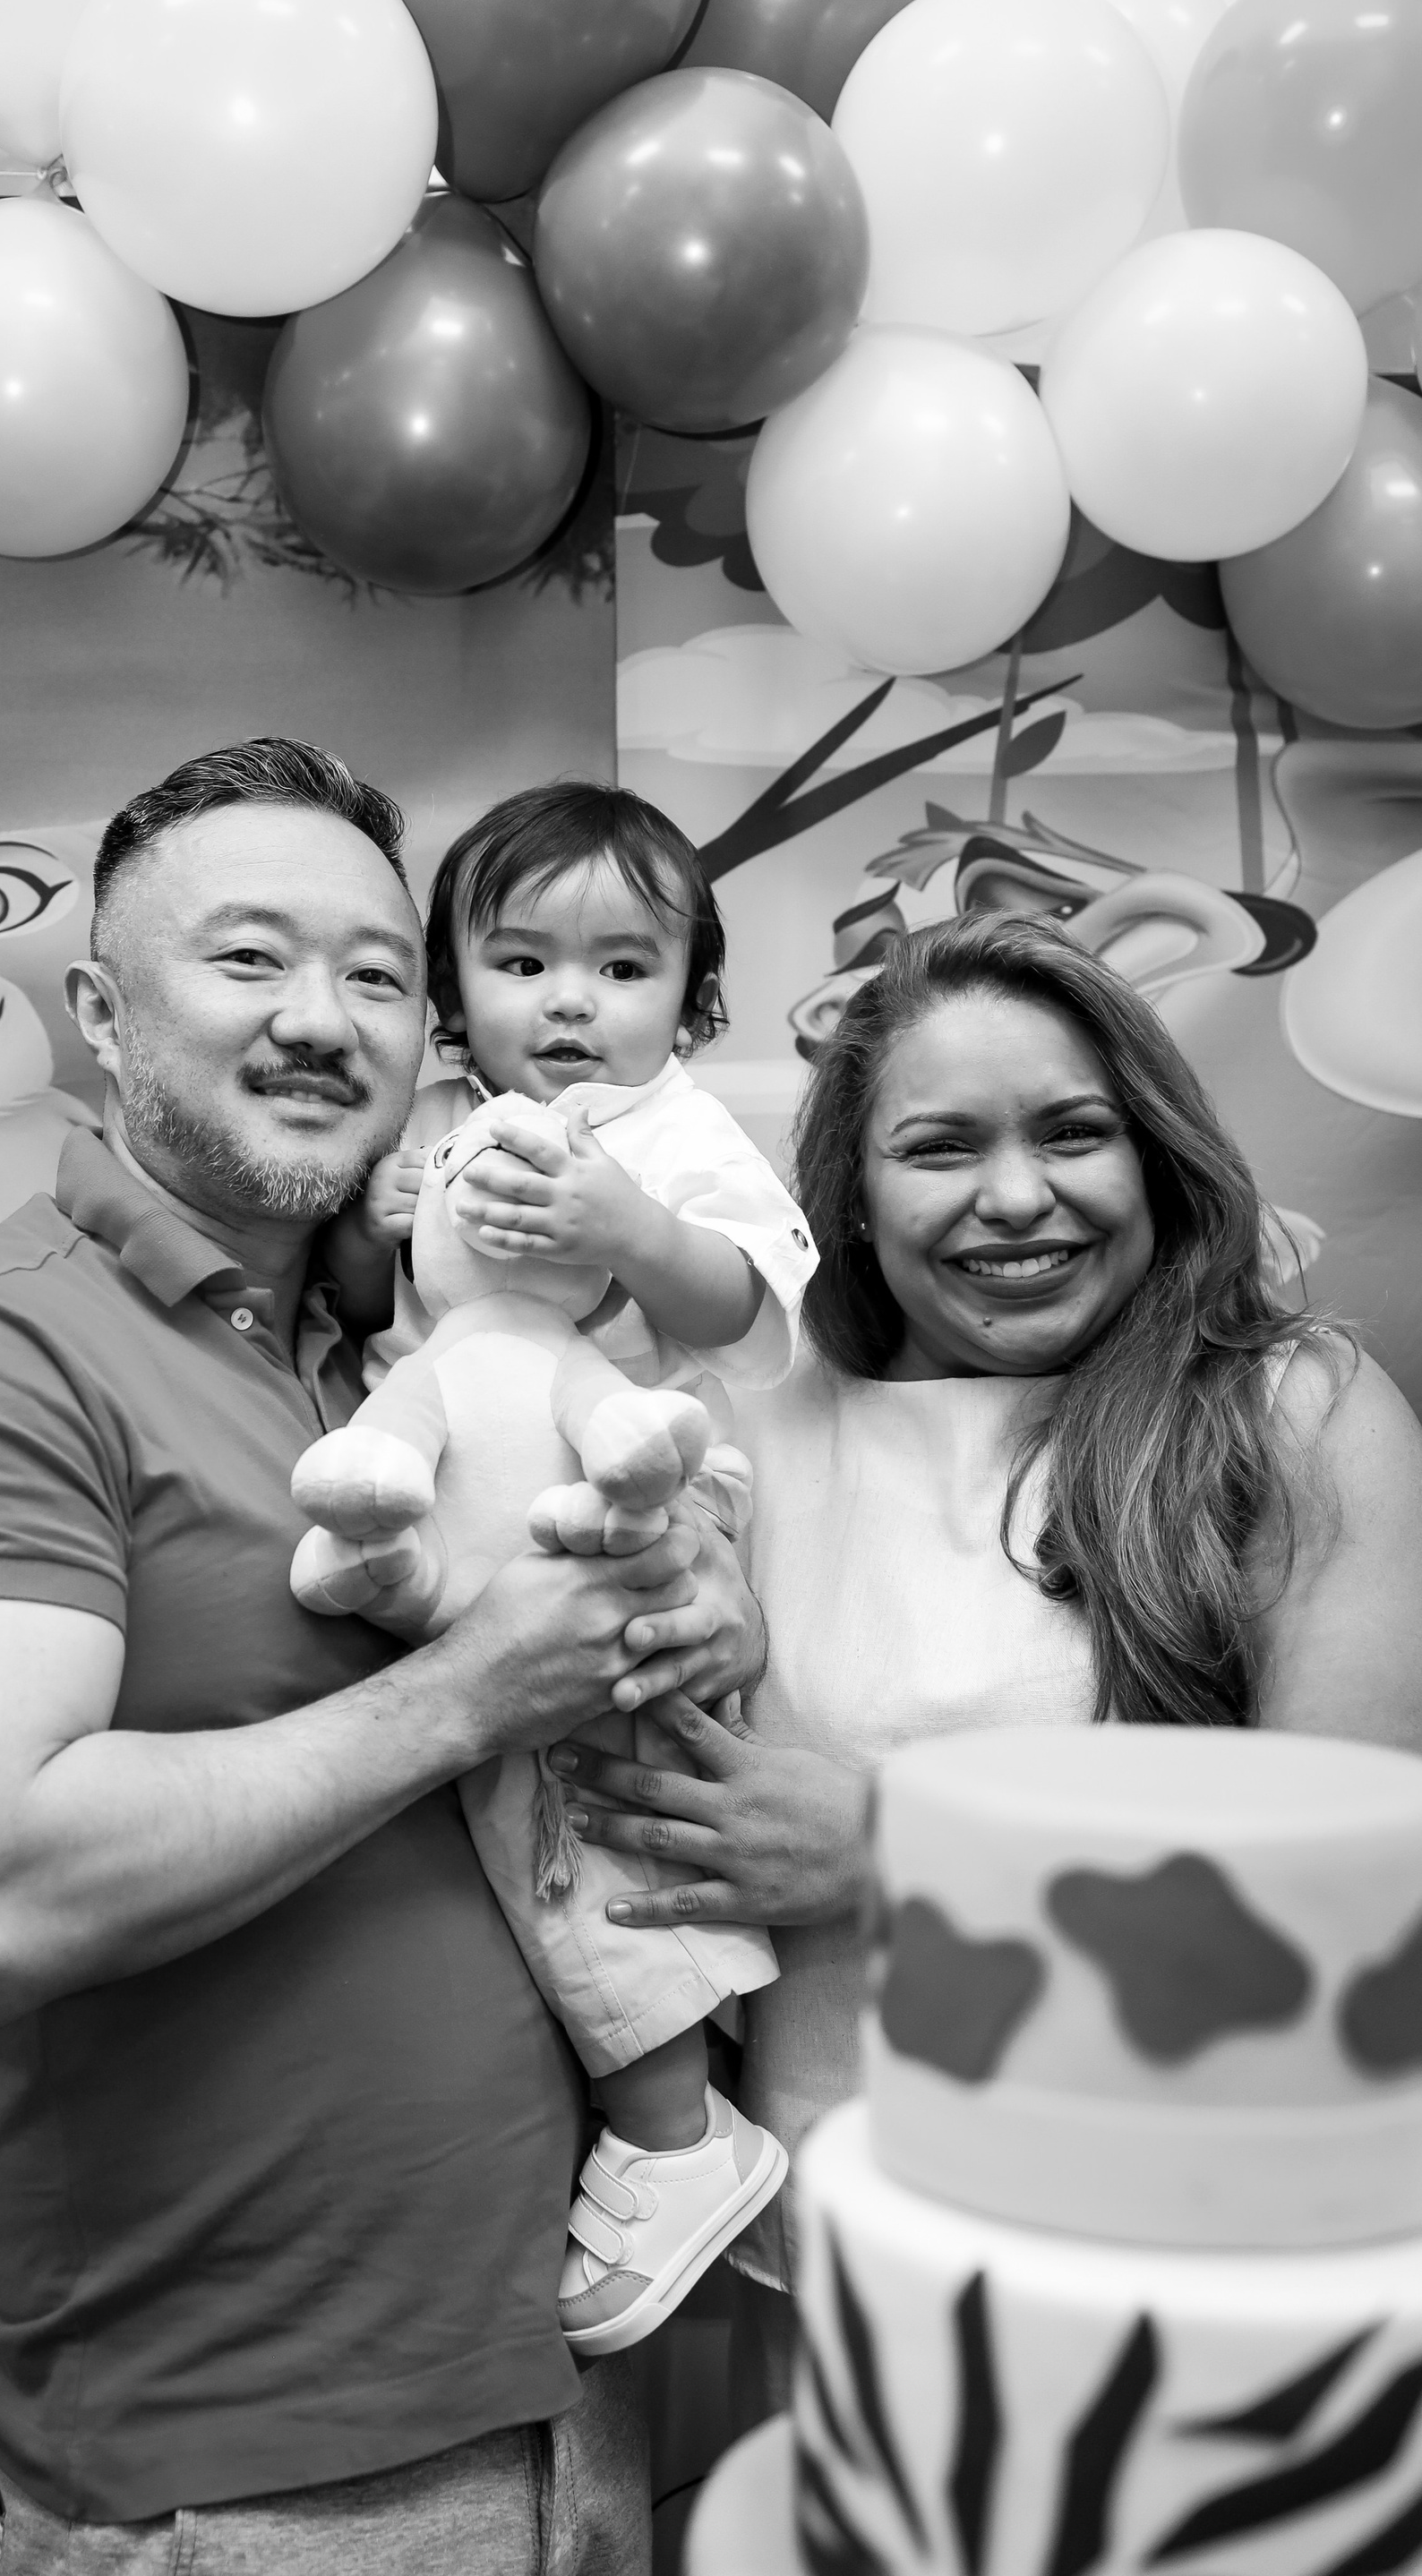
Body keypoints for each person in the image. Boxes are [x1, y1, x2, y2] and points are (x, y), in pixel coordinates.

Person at [0, 739, 768, 2576]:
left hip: (566, 2383)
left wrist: (688, 1613)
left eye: (375, 974)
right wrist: (477, 1685)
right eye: (247, 958)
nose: (321, 1019)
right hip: (242, 2472)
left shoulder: (397, 1355)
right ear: (101, 1014)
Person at [537, 910, 1422, 2425]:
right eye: (939, 1148)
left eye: (1074, 1132)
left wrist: (902, 1850)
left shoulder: (1294, 1410)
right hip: (831, 2291)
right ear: (855, 1197)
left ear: (1155, 1156)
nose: (1016, 1196)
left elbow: (1356, 1887)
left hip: (1201, 2283)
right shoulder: (746, 1430)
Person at [322, 783, 818, 2358]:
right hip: (474, 1499)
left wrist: (631, 1225)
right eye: (523, 962)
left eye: (622, 967)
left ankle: (677, 2133)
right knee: (504, 1809)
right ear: (450, 989)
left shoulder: (675, 1132)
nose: (571, 1003)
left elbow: (747, 1310)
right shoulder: (433, 1123)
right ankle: (656, 2102)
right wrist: (374, 1223)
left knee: (580, 1816)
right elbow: (372, 1308)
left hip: (636, 1486)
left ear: (695, 1000)